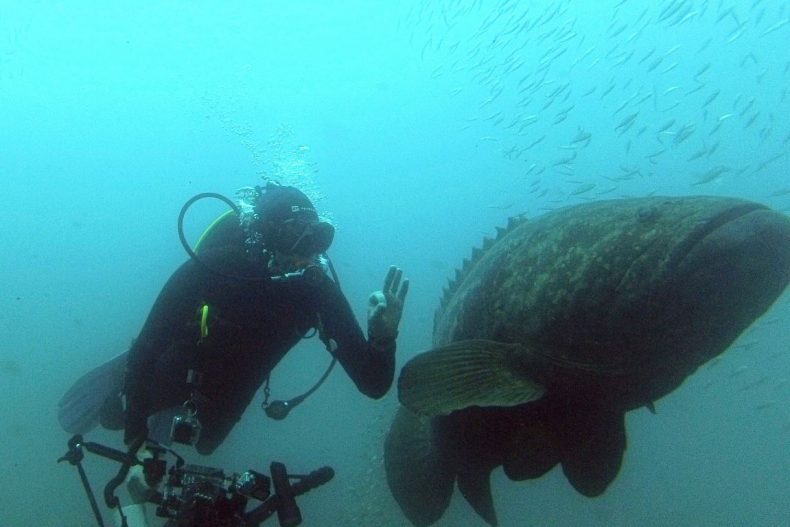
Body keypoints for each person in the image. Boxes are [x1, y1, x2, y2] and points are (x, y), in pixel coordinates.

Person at [58, 181, 409, 525]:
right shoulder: (213, 268)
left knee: (206, 446)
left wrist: (383, 337)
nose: (307, 253)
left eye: (317, 238)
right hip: (180, 361)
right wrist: (138, 443)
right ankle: (123, 383)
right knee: (119, 416)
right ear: (265, 235)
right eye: (295, 236)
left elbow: (373, 383)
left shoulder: (315, 290)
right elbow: (150, 345)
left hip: (232, 389)